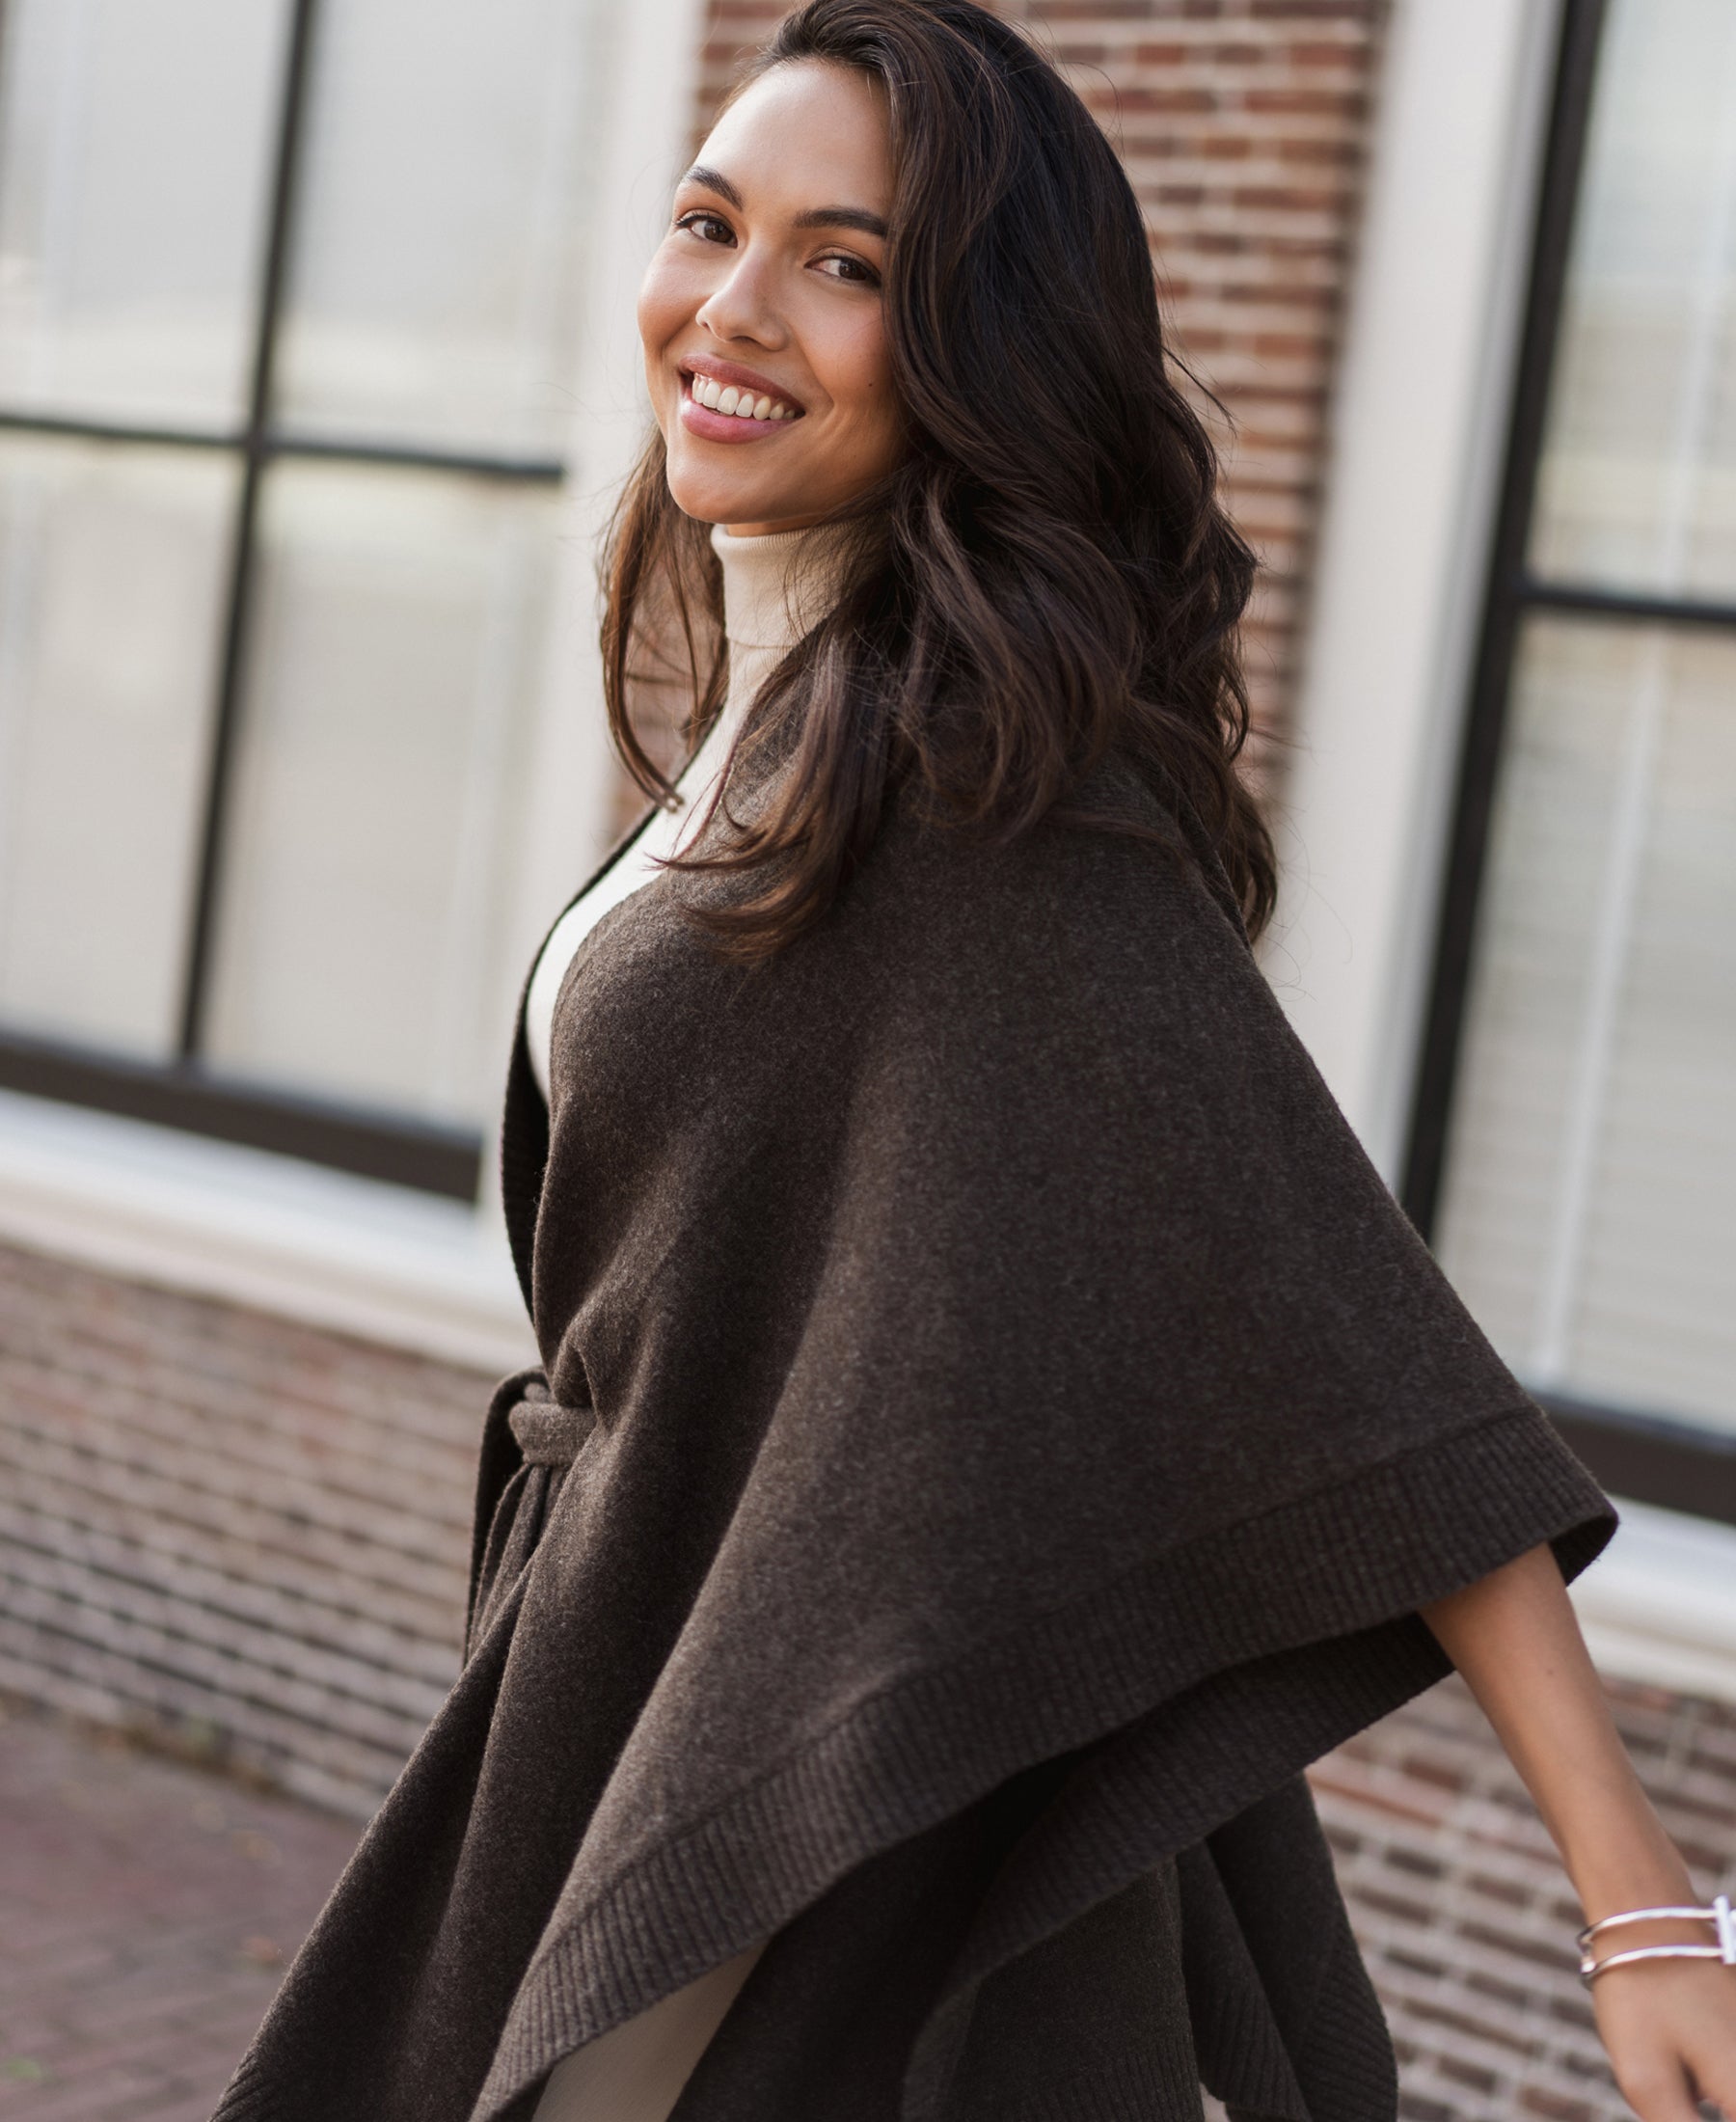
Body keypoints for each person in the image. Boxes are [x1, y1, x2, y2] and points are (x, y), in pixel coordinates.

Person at [212, 5, 1736, 2119]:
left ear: (974, 352)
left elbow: (1342, 1325)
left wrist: (1637, 1899)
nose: (732, 310)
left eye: (845, 265)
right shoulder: (777, 726)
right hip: (621, 1664)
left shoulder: (990, 800)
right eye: (707, 221)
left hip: (813, 1776)